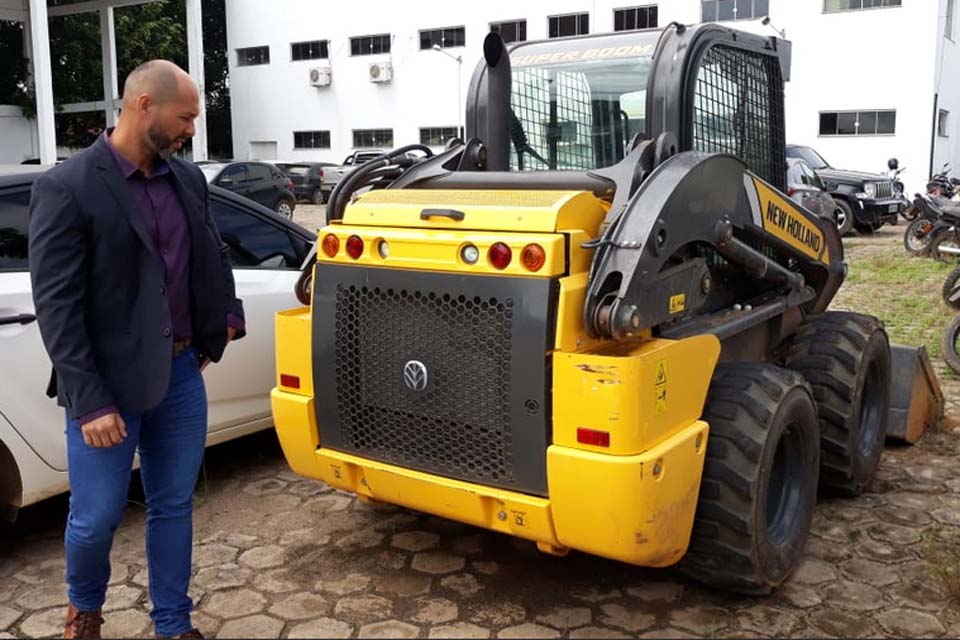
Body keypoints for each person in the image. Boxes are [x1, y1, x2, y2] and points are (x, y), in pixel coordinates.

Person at [28, 59, 245, 640]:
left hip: (178, 375)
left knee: (173, 507)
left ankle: (174, 625)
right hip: (106, 386)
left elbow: (212, 251)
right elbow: (57, 305)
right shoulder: (66, 187)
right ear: (144, 105)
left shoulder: (187, 179)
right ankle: (85, 611)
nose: (191, 131)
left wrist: (223, 317)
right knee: (95, 519)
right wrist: (91, 400)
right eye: (186, 117)